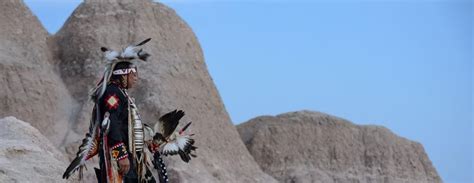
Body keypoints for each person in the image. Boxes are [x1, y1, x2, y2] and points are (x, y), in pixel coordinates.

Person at [63, 38, 196, 183]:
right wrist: (121, 155)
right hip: (120, 158)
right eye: (133, 74)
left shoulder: (121, 94)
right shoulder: (112, 93)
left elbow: (128, 127)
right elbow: (110, 124)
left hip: (133, 158)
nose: (136, 78)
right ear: (123, 74)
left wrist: (149, 140)